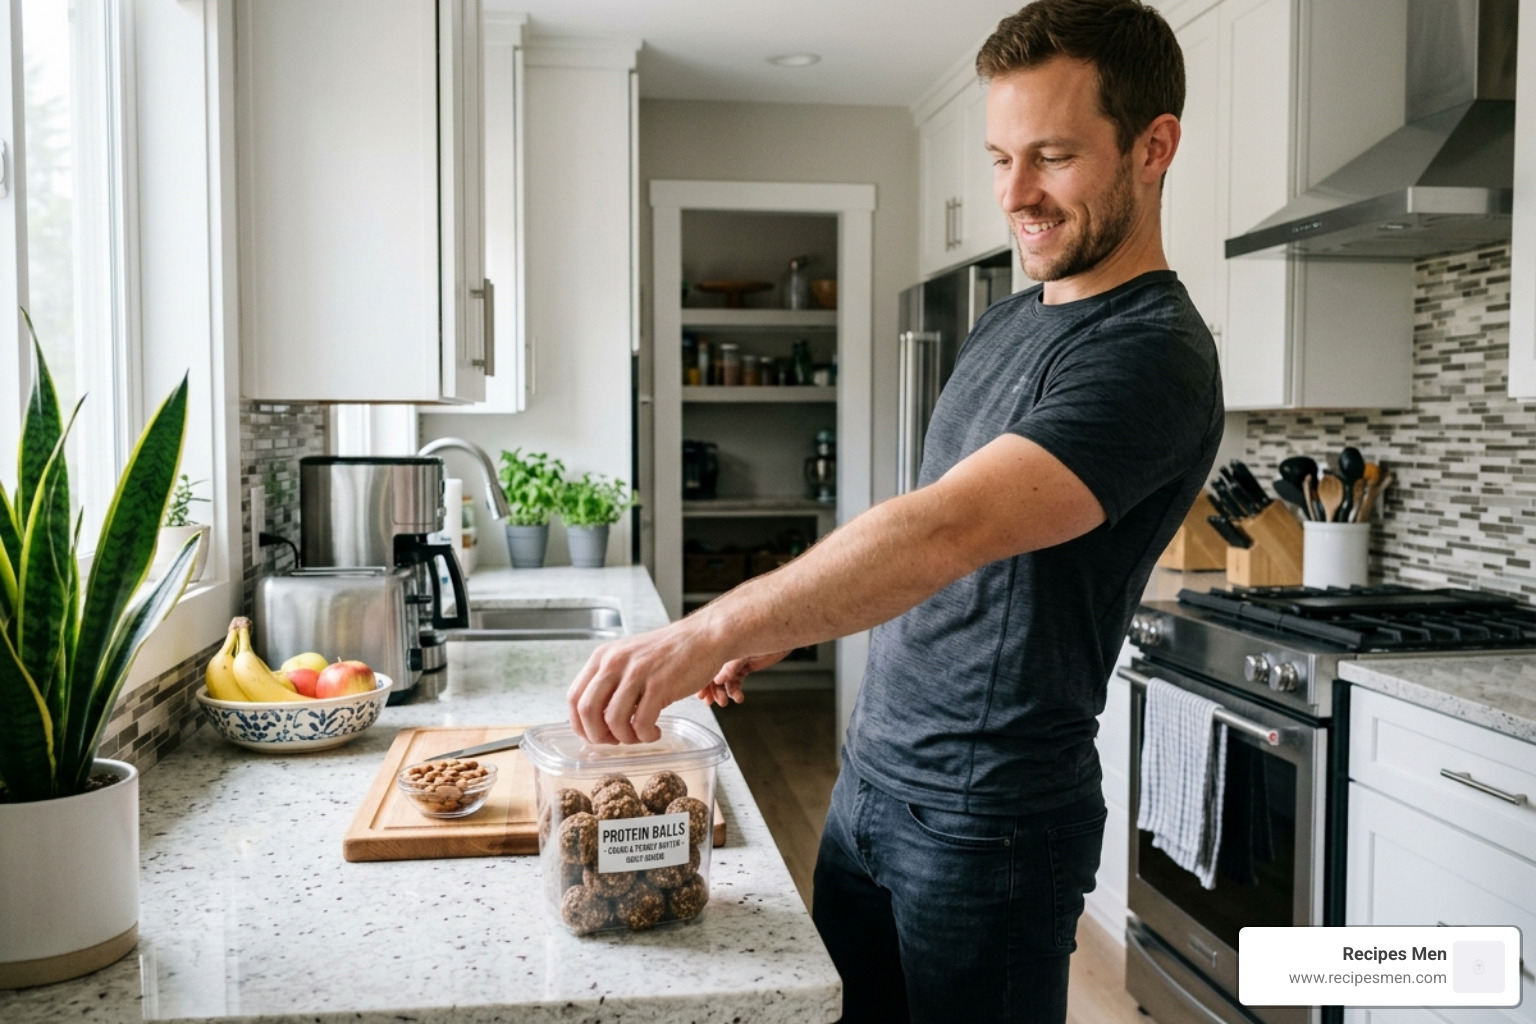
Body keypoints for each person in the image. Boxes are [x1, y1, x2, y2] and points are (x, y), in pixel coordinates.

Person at [567, 1, 1222, 1020]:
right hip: (875, 778)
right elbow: (929, 534)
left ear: (1155, 146)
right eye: (1001, 157)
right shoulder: (1009, 322)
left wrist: (718, 623)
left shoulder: (1150, 358)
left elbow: (947, 530)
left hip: (989, 819)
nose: (1016, 195)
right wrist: (794, 619)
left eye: (1051, 156)